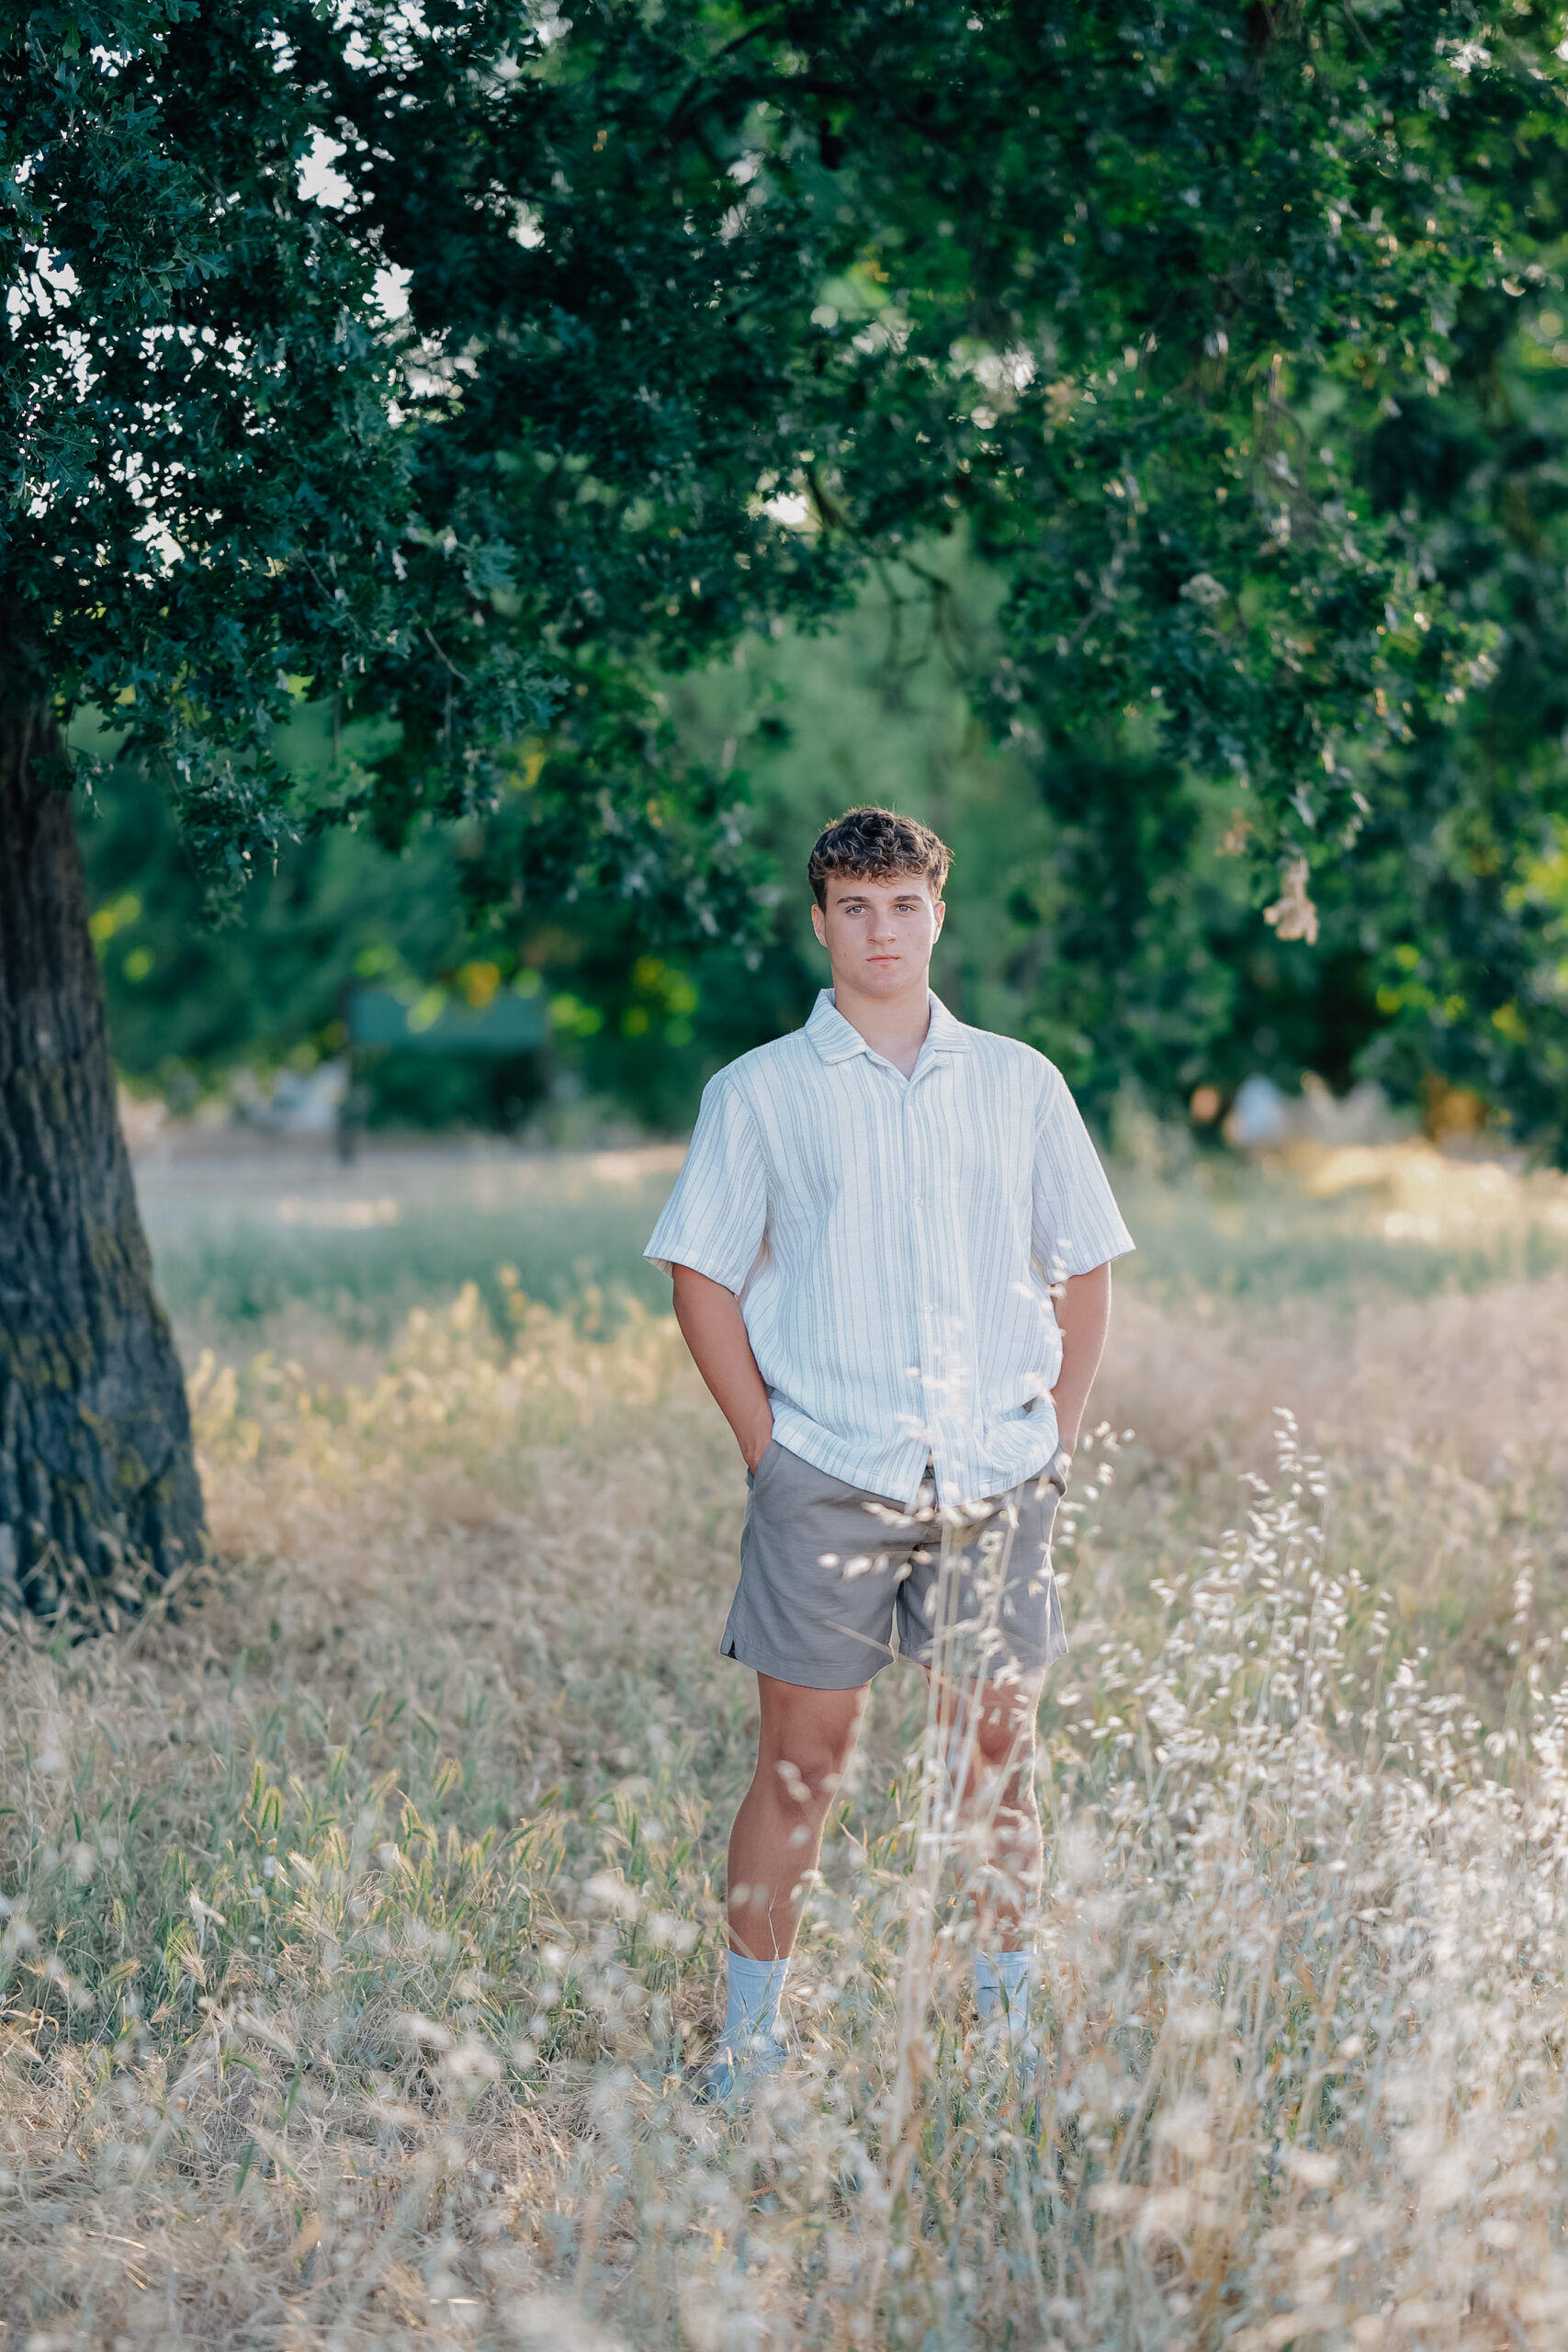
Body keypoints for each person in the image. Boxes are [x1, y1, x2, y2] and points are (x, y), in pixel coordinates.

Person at [644, 806, 1134, 2095]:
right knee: (801, 1766)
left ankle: (1006, 2034)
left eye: (904, 906)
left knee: (997, 1758)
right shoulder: (759, 1091)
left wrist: (1056, 1431)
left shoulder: (1020, 1082)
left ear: (936, 916)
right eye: (855, 908)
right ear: (821, 922)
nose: (881, 931)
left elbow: (1083, 1265)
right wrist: (766, 1447)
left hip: (995, 1471)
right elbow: (700, 1273)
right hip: (829, 1467)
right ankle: (750, 2047)